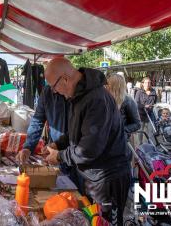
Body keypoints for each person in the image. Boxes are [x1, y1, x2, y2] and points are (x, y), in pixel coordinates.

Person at [44, 58, 131, 225]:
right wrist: (58, 144)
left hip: (108, 178)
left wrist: (60, 156)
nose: (54, 92)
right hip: (94, 176)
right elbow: (76, 133)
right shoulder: (79, 96)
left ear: (65, 79)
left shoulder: (96, 99)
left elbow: (88, 149)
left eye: (53, 87)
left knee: (104, 222)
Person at [15, 85, 84, 191]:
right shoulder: (48, 92)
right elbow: (37, 120)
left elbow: (80, 133)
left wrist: (58, 147)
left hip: (79, 157)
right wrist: (28, 147)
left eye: (55, 85)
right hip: (56, 152)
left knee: (81, 196)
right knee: (59, 190)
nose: (53, 89)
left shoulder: (81, 93)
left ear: (64, 79)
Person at [106, 73, 141, 140]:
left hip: (120, 141)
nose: (106, 86)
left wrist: (121, 130)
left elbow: (137, 124)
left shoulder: (128, 100)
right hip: (106, 140)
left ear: (115, 86)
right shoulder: (106, 98)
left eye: (108, 84)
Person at [135, 77, 157, 146]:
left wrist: (153, 106)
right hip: (141, 114)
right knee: (140, 131)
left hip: (150, 114)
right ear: (143, 84)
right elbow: (136, 103)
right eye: (146, 82)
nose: (148, 84)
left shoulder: (153, 92)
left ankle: (149, 145)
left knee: (150, 131)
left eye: (149, 83)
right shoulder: (139, 92)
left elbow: (155, 101)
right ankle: (140, 145)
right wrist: (144, 106)